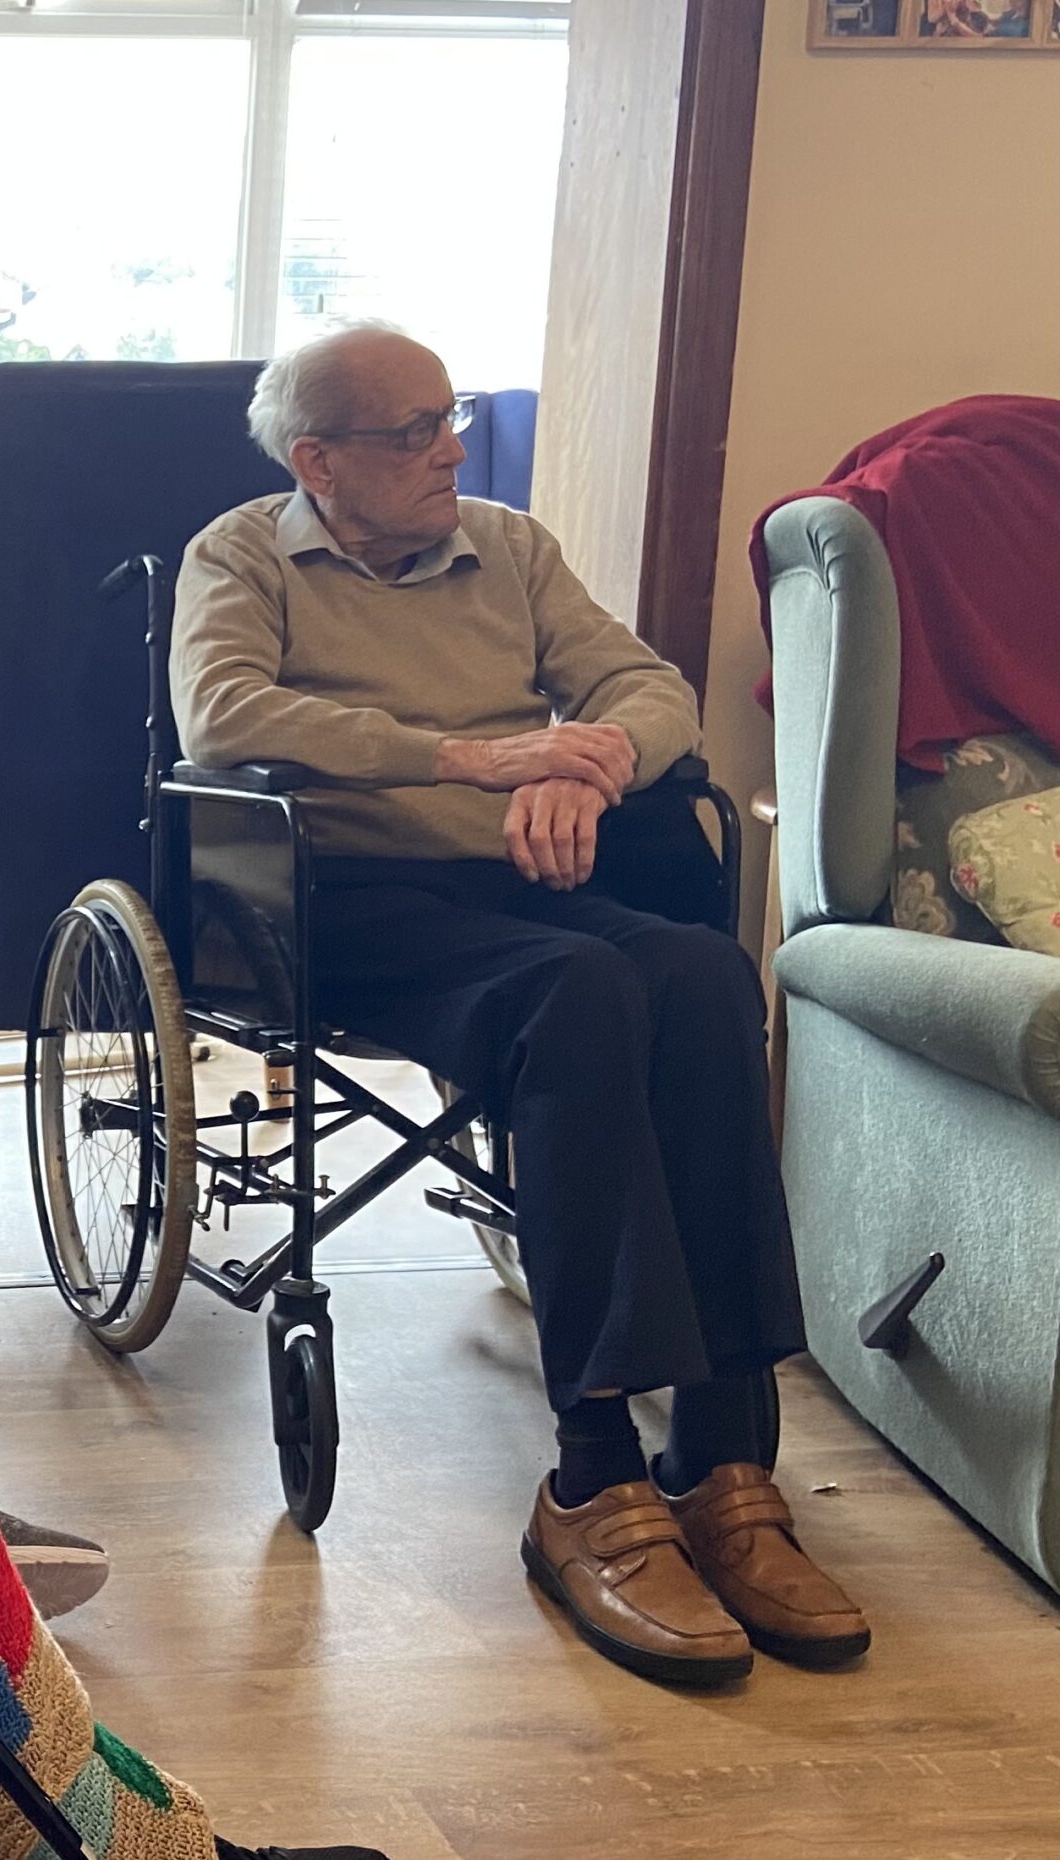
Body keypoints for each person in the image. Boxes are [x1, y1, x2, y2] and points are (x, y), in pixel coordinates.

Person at [173, 321, 868, 1687]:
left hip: (530, 880)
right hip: (349, 903)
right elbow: (224, 717)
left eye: (454, 416)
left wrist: (591, 760)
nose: (455, 447)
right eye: (416, 430)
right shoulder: (241, 556)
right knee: (585, 992)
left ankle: (728, 1458)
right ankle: (592, 1479)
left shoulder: (510, 545)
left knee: (704, 975)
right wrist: (474, 758)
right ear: (318, 461)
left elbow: (643, 685)